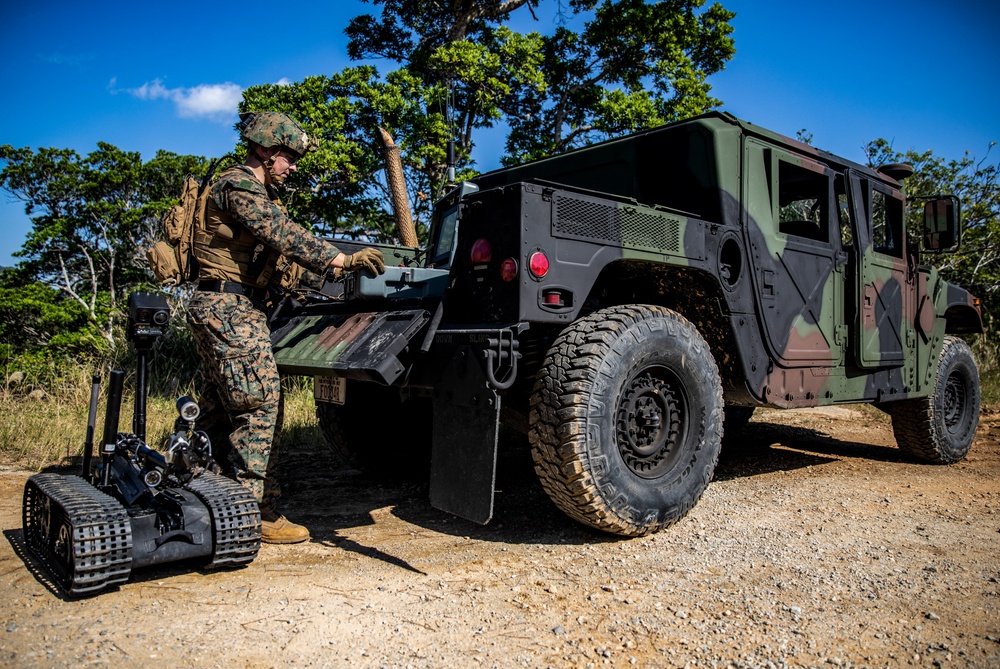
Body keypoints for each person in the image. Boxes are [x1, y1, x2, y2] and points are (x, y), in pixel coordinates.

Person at [187, 111, 386, 544]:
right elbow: (282, 234)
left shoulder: (252, 191)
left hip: (227, 304)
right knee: (260, 403)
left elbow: (280, 265)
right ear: (265, 150)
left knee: (221, 407)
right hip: (229, 306)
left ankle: (199, 491)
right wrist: (340, 259)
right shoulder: (238, 185)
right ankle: (254, 512)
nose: (292, 167)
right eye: (288, 158)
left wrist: (336, 280)